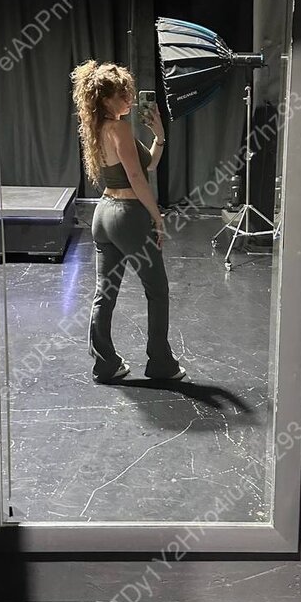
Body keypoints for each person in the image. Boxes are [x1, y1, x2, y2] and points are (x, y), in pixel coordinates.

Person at [71, 59, 186, 384]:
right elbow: (136, 178)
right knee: (157, 290)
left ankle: (105, 365)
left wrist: (159, 136)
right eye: (122, 95)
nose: (130, 99)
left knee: (104, 293)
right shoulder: (119, 128)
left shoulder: (98, 128)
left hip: (104, 214)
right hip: (127, 216)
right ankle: (161, 363)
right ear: (106, 99)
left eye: (129, 93)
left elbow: (147, 165)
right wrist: (156, 216)